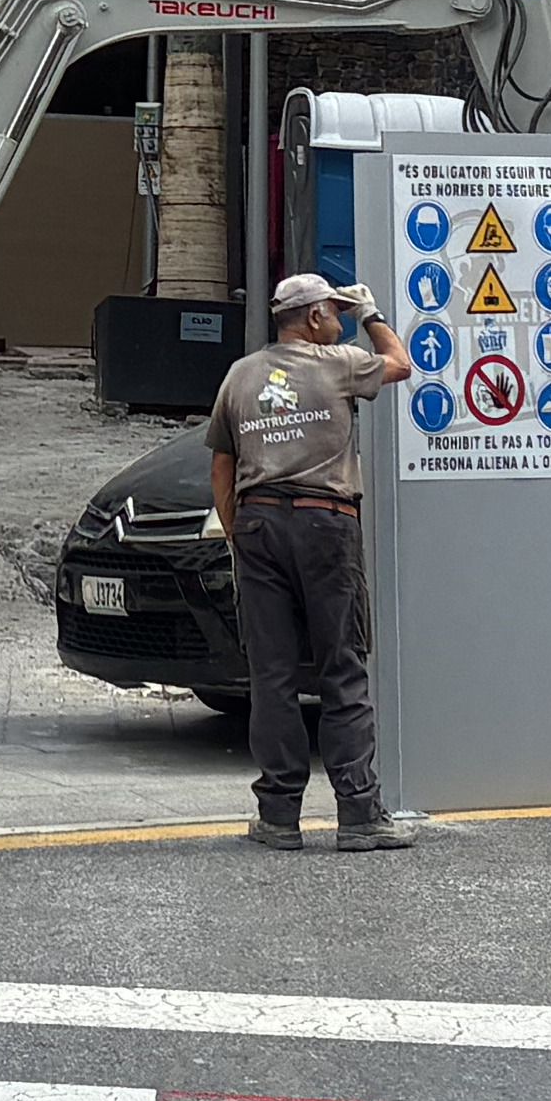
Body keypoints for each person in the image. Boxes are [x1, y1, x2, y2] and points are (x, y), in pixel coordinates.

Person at [208, 271, 411, 850]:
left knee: (271, 674)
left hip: (258, 523)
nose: (341, 319)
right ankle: (359, 815)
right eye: (335, 311)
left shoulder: (240, 376)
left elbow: (221, 467)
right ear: (315, 319)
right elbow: (399, 363)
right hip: (326, 524)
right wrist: (372, 314)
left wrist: (236, 534)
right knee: (341, 666)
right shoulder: (340, 363)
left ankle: (277, 816)